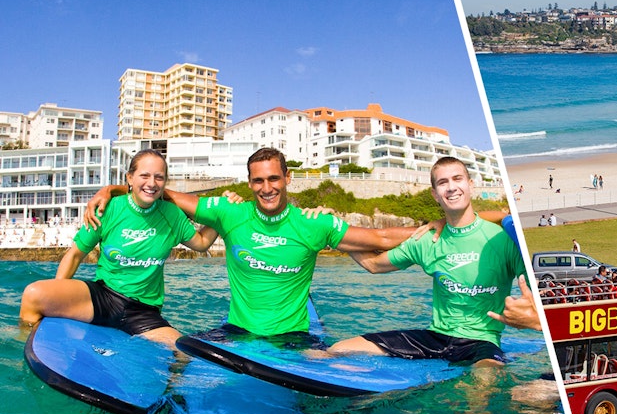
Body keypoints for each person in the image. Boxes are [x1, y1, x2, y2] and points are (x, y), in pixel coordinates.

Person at [83, 148, 430, 338]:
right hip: (237, 332)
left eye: (274, 178)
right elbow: (160, 191)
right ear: (249, 183)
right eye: (259, 180)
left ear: (287, 178)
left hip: (291, 338)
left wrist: (436, 227)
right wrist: (111, 190)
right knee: (185, 354)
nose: (267, 187)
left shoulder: (314, 223)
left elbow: (381, 238)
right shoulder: (230, 212)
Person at [318, 156, 527, 367]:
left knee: (485, 378)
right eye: (443, 183)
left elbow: (530, 291)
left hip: (482, 341)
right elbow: (373, 264)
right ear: (435, 194)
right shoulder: (426, 240)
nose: (452, 188)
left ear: (470, 185)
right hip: (435, 338)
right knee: (338, 349)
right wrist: (332, 230)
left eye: (457, 179)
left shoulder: (501, 239)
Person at [20, 150, 219, 347]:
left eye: (159, 177)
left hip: (143, 311)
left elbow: (201, 243)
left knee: (181, 351)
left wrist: (223, 215)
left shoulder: (172, 214)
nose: (151, 183)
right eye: (144, 175)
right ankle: (27, 345)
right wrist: (59, 296)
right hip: (103, 297)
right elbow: (74, 255)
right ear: (130, 178)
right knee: (33, 294)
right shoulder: (108, 208)